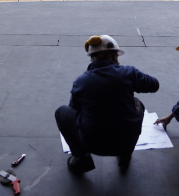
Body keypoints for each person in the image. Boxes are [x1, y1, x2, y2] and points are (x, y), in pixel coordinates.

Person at [55, 35, 160, 174]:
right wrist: (129, 78)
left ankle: (81, 157)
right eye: (117, 56)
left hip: (93, 143)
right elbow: (154, 85)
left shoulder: (80, 82)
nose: (118, 60)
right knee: (137, 103)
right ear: (110, 57)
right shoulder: (128, 72)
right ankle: (125, 156)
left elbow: (74, 108)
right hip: (126, 142)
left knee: (61, 112)